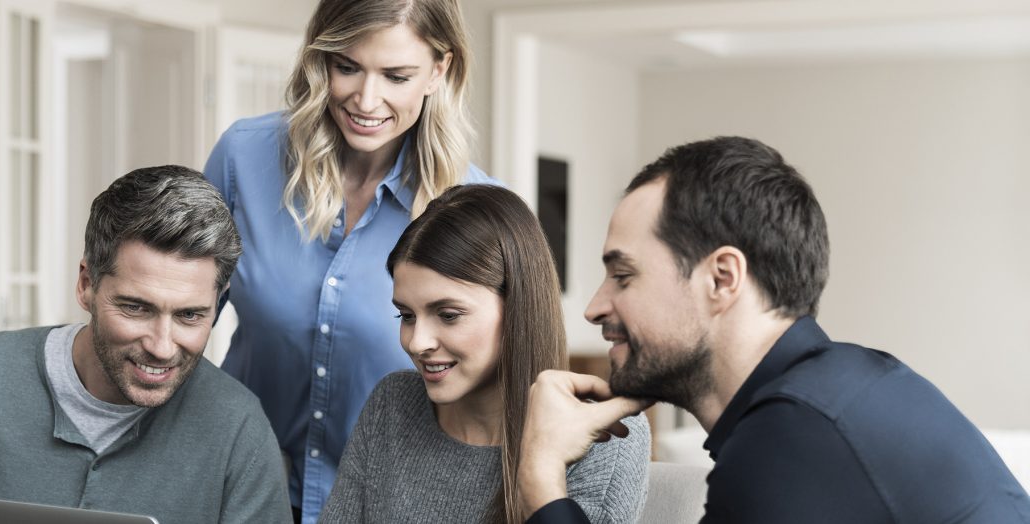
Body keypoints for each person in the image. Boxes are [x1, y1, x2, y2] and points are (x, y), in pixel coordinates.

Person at [516, 137, 1030, 523]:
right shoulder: (840, 389)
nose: (593, 307)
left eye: (623, 276)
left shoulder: (794, 437)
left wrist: (541, 476)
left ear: (722, 279)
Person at [0, 166, 291, 524]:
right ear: (86, 284)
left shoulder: (239, 431)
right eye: (136, 308)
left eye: (190, 316)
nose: (163, 346)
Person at [203, 1, 494, 520]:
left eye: (396, 76)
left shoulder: (477, 208)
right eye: (347, 66)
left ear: (439, 70)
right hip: (239, 492)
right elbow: (184, 313)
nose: (366, 99)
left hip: (387, 505)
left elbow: (495, 387)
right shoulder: (243, 158)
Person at [319, 185, 649, 524]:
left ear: (518, 307)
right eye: (406, 315)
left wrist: (540, 471)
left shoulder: (604, 435)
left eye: (448, 315)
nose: (417, 343)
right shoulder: (392, 404)